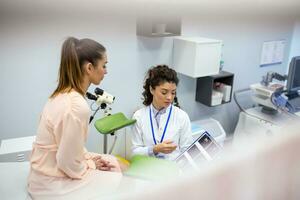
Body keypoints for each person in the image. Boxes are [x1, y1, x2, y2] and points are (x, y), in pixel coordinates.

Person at [27, 37, 122, 199]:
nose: (106, 71)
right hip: (50, 184)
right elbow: (66, 161)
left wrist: (88, 158)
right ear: (90, 68)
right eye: (104, 65)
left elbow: (65, 147)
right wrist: (91, 164)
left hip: (41, 174)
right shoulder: (76, 106)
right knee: (116, 176)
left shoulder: (61, 94)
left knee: (112, 161)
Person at [131, 65, 193, 161]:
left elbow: (188, 151)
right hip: (147, 169)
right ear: (152, 89)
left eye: (173, 93)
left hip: (173, 170)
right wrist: (154, 149)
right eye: (164, 92)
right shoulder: (139, 116)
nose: (169, 97)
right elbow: (134, 153)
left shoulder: (182, 116)